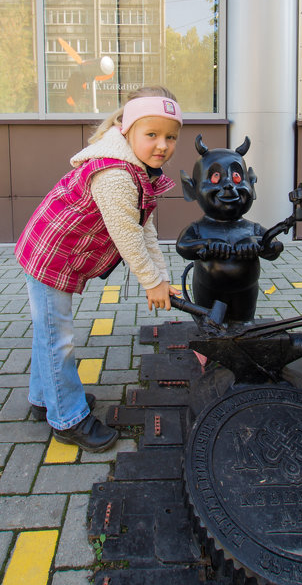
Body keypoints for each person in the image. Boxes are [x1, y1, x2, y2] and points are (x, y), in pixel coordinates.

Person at [15, 86, 182, 452]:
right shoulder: (116, 174)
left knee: (48, 333)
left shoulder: (137, 168)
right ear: (127, 129)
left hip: (58, 254)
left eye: (170, 137)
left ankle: (45, 401)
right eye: (151, 134)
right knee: (57, 339)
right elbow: (127, 236)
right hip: (49, 256)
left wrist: (162, 279)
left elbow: (145, 227)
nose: (162, 146)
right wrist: (150, 281)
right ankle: (68, 420)